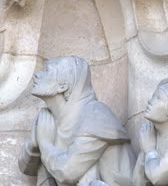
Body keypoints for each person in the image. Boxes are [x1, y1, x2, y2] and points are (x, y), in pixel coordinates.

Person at [18, 56, 135, 186]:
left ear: (62, 86)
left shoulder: (95, 114)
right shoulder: (48, 117)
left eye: (46, 71)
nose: (36, 75)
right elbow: (26, 167)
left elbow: (68, 172)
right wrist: (34, 145)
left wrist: (45, 144)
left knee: (87, 171)